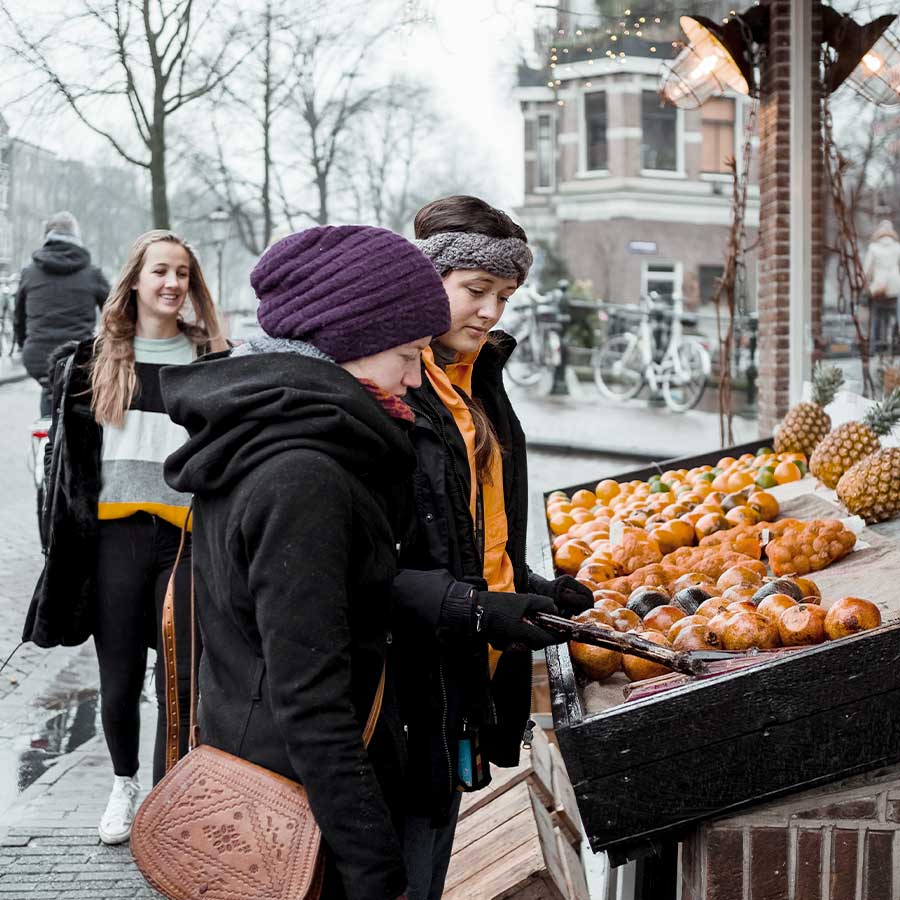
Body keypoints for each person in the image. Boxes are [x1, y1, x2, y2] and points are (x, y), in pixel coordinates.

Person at [160, 225, 452, 900]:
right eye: (406, 354)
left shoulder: (267, 431)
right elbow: (312, 698)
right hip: (296, 819)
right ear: (344, 342)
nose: (415, 378)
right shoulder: (305, 474)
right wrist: (376, 870)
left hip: (265, 779)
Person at [391, 195, 594, 899]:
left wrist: (531, 589)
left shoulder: (481, 380)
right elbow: (384, 561)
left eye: (503, 297)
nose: (490, 312)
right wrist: (484, 611)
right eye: (475, 291)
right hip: (408, 684)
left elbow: (474, 532)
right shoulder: (396, 388)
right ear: (427, 282)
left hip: (464, 670)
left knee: (430, 856)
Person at [22, 230, 227, 845]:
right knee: (116, 672)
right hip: (113, 537)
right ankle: (124, 784)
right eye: (160, 271)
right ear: (134, 279)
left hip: (185, 535)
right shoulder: (89, 359)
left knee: (181, 671)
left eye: (183, 274)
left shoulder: (214, 358)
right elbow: (65, 469)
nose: (172, 284)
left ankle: (174, 791)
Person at [13, 211, 110, 416]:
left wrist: (25, 346)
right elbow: (115, 312)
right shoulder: (92, 273)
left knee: (50, 389)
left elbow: (18, 319)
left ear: (46, 237)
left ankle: (45, 439)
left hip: (36, 358)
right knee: (81, 398)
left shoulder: (29, 273)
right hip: (78, 356)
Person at [863, 219, 900, 353]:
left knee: (877, 316)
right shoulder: (897, 247)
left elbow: (866, 271)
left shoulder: (873, 248)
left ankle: (876, 346)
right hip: (895, 288)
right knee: (895, 315)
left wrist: (867, 285)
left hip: (879, 288)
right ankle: (896, 344)